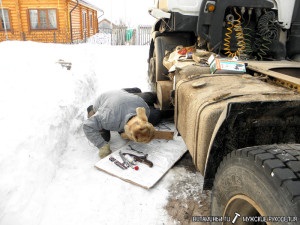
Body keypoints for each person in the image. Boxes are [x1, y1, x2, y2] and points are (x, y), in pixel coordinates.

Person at [83, 88, 161, 159]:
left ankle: (135, 91)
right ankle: (91, 110)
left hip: (124, 98)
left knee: (151, 103)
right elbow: (87, 125)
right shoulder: (108, 119)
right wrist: (102, 145)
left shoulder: (144, 109)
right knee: (105, 138)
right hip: (106, 100)